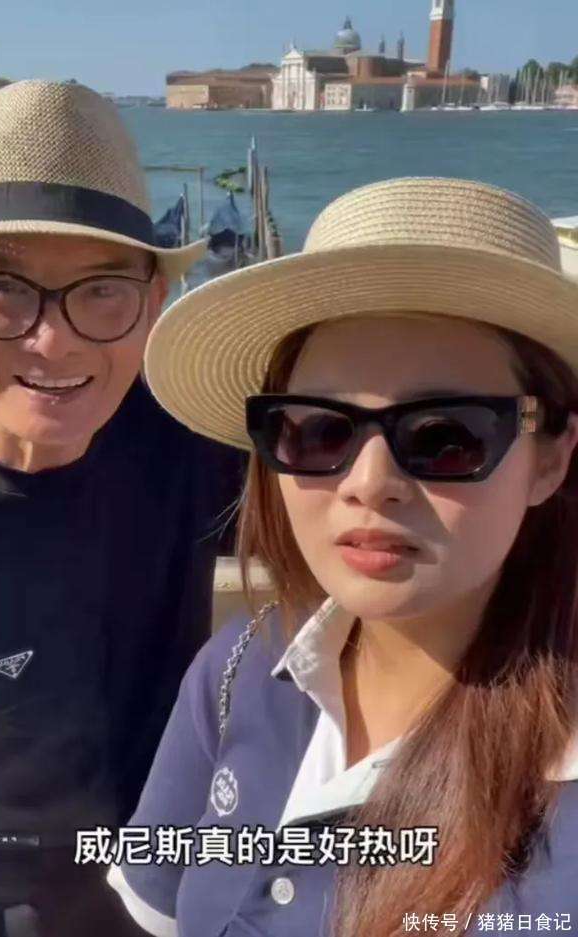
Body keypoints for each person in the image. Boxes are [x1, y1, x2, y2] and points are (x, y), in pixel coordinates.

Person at [110, 177, 578, 937]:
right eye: (320, 429)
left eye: (446, 436)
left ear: (550, 459)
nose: (369, 483)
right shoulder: (240, 670)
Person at [0, 80, 243, 936]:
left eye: (102, 290)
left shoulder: (192, 443)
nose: (53, 338)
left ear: (154, 306)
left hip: (150, 899)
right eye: (4, 286)